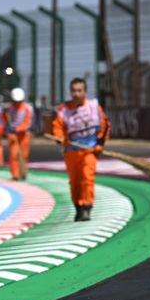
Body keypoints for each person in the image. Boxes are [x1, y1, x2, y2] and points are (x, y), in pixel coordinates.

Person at [51, 77, 110, 222]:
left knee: (87, 177)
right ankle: (77, 206)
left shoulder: (94, 106)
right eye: (73, 91)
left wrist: (100, 143)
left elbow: (104, 125)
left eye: (79, 91)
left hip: (89, 150)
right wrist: (59, 137)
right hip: (71, 150)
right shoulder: (64, 109)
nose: (76, 94)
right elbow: (57, 126)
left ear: (85, 91)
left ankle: (86, 207)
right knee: (75, 181)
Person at [4, 87, 34, 181]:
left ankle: (22, 172)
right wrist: (9, 129)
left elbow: (28, 123)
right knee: (13, 155)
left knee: (23, 155)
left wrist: (18, 129)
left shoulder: (27, 109)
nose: (16, 103)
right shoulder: (9, 109)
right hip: (13, 135)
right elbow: (5, 120)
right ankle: (15, 174)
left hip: (24, 135)